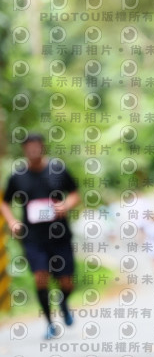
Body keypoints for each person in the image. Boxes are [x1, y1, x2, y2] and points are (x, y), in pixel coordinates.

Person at [1, 132, 80, 340]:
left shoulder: (57, 169)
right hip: (34, 238)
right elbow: (5, 203)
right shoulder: (17, 176)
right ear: (24, 149)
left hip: (60, 235)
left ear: (43, 147)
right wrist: (12, 221)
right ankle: (50, 323)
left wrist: (66, 204)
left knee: (67, 282)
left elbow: (75, 193)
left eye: (36, 145)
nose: (33, 149)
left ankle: (63, 302)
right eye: (29, 146)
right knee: (40, 278)